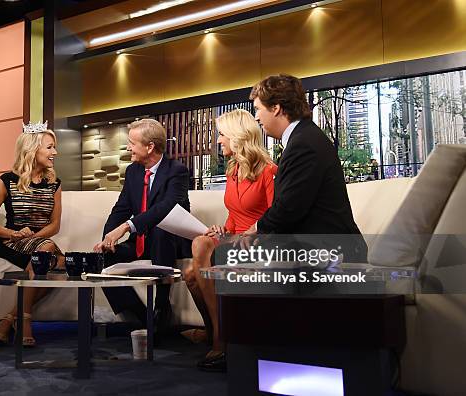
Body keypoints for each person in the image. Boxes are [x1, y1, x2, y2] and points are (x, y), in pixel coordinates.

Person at [183, 109, 277, 372]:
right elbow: (235, 218)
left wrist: (254, 234)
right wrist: (221, 230)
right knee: (196, 256)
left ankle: (218, 338)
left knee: (196, 263)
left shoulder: (269, 171)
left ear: (238, 137)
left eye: (222, 135)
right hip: (235, 241)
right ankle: (216, 331)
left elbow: (277, 218)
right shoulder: (233, 171)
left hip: (259, 247)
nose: (218, 140)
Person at [250, 74, 367, 260]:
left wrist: (256, 230)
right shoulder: (304, 137)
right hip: (315, 248)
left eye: (257, 109)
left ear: (276, 108)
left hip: (331, 253)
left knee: (221, 256)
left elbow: (288, 208)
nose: (256, 117)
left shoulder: (303, 144)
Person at [93, 118, 191, 335]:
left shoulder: (177, 171)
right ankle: (142, 318)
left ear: (150, 147)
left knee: (160, 229)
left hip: (169, 242)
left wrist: (128, 226)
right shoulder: (133, 171)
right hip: (141, 243)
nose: (128, 147)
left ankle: (161, 307)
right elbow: (122, 207)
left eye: (132, 143)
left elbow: (165, 209)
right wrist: (108, 237)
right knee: (103, 258)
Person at [0, 122, 64, 348]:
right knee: (47, 252)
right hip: (10, 243)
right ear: (32, 149)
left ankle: (9, 319)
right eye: (49, 147)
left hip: (38, 241)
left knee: (63, 266)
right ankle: (26, 320)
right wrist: (14, 234)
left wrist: (33, 238)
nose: (55, 153)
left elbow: (54, 225)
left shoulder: (54, 184)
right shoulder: (6, 181)